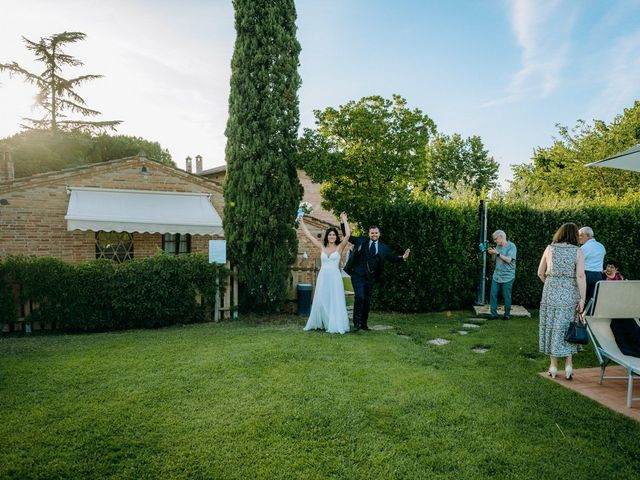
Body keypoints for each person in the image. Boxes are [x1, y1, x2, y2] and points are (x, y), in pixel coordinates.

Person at [537, 223, 586, 380]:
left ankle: (552, 366)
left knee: (552, 327)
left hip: (550, 292)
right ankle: (569, 367)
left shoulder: (549, 249)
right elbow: (580, 276)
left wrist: (551, 285)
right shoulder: (577, 251)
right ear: (573, 235)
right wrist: (583, 298)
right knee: (567, 327)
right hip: (569, 293)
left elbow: (540, 272)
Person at [341, 222, 410, 331]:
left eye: (376, 233)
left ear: (379, 234)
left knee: (367, 301)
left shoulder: (383, 248)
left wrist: (402, 257)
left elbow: (391, 258)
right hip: (358, 275)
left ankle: (364, 324)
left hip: (370, 278)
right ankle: (357, 324)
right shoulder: (361, 241)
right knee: (359, 297)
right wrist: (343, 222)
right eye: (372, 233)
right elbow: (347, 235)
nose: (374, 234)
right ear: (368, 234)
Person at [299, 212, 352, 334]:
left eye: (334, 234)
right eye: (330, 235)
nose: (332, 236)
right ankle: (323, 321)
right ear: (327, 236)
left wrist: (344, 220)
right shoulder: (322, 248)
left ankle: (333, 323)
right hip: (323, 276)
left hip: (334, 277)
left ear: (336, 237)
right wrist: (302, 223)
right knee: (322, 299)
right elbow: (309, 236)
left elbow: (348, 235)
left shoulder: (339, 247)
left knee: (334, 299)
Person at [487, 230, 517, 320]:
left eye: (496, 239)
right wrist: (492, 254)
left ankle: (507, 315)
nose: (495, 241)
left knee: (506, 296)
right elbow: (493, 260)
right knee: (493, 294)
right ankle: (493, 315)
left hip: (508, 276)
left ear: (501, 237)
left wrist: (497, 253)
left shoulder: (512, 246)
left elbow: (509, 260)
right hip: (497, 275)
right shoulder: (498, 246)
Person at [578, 226, 606, 311]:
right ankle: (588, 321)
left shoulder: (584, 248)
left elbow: (578, 262)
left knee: (581, 299)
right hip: (598, 276)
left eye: (581, 235)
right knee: (592, 300)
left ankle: (579, 321)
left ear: (588, 235)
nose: (579, 238)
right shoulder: (601, 246)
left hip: (585, 275)